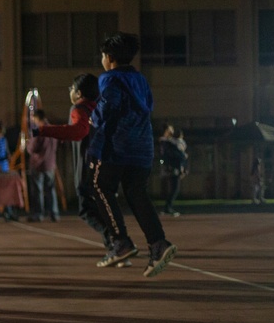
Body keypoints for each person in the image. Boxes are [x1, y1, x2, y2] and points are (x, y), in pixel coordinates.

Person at [87, 32, 176, 277]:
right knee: (136, 193)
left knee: (99, 186)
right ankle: (158, 243)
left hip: (117, 146)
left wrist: (93, 118)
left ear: (110, 57)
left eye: (103, 56)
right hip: (142, 148)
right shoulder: (140, 80)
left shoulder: (110, 78)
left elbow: (109, 105)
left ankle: (120, 242)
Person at [34, 74, 120, 257]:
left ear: (79, 92)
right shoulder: (101, 108)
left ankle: (117, 243)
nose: (70, 92)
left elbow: (78, 132)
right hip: (107, 165)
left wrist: (43, 130)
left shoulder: (78, 109)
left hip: (88, 168)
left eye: (71, 88)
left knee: (87, 211)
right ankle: (116, 248)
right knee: (104, 209)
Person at [26, 109, 59, 222]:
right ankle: (54, 213)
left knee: (38, 190)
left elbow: (33, 148)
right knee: (51, 189)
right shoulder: (53, 129)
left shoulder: (38, 131)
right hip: (51, 163)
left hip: (38, 164)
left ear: (36, 118)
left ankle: (39, 214)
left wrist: (27, 145)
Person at [158, 124, 187, 217]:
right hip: (172, 167)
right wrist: (182, 156)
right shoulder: (166, 142)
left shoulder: (168, 142)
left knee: (173, 188)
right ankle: (168, 208)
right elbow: (169, 155)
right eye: (170, 129)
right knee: (175, 188)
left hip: (172, 167)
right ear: (166, 130)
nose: (172, 131)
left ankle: (168, 207)